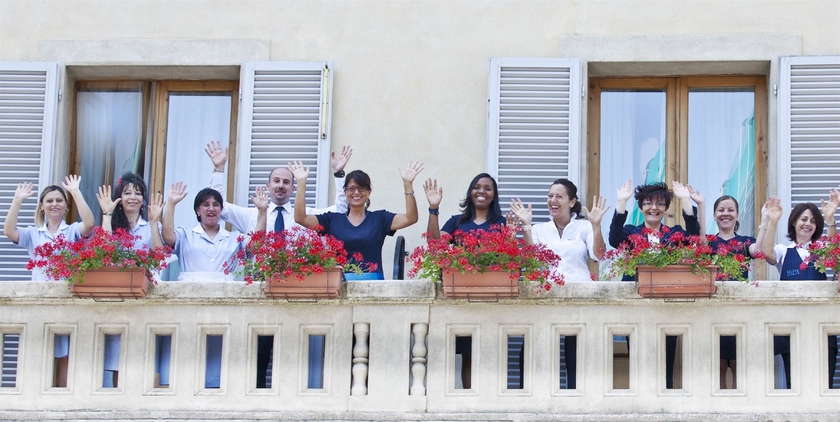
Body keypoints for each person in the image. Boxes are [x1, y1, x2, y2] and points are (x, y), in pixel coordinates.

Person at [292, 160, 423, 280]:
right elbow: (300, 218)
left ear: (369, 192)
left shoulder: (380, 218)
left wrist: (408, 185)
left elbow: (410, 218)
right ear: (345, 191)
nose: (356, 192)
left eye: (362, 188)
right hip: (339, 284)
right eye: (351, 188)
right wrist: (301, 182)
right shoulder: (331, 219)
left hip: (373, 283)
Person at [760, 194, 839, 389]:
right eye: (803, 219)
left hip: (821, 324)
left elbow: (835, 253)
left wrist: (830, 220)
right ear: (794, 222)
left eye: (813, 221)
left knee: (823, 384)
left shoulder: (821, 249)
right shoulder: (783, 251)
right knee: (795, 384)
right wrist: (772, 221)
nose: (808, 224)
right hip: (791, 324)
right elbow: (767, 253)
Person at [204, 141, 350, 234]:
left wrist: (339, 174)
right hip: (261, 280)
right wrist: (219, 170)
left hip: (297, 279)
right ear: (268, 186)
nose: (281, 185)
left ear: (293, 189)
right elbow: (220, 207)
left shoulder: (307, 216)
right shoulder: (251, 216)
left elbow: (341, 210)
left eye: (286, 182)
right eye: (276, 181)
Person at [161, 182, 268, 281]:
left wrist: (262, 211)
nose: (211, 208)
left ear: (221, 210)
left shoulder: (234, 238)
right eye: (206, 205)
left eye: (216, 204)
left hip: (224, 294)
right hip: (189, 293)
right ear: (197, 210)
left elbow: (256, 245)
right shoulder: (186, 234)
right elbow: (168, 237)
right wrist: (171, 204)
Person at [509, 179, 609, 282]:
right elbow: (531, 260)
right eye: (550, 196)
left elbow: (599, 255)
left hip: (581, 291)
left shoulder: (585, 226)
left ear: (572, 202)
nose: (553, 200)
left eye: (559, 196)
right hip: (548, 292)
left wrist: (596, 225)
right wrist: (526, 225)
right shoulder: (538, 229)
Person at [3, 176, 95, 280]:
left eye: (59, 200)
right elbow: (9, 231)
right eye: (49, 201)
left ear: (65, 205)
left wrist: (75, 192)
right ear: (42, 206)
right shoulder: (33, 233)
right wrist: (16, 201)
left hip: (68, 291)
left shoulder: (72, 230)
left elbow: (89, 223)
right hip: (40, 292)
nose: (54, 204)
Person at [608, 180, 703, 281]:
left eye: (660, 204)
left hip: (667, 288)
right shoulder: (631, 232)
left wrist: (685, 200)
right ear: (641, 208)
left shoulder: (674, 233)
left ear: (666, 209)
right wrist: (621, 203)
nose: (654, 208)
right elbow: (614, 240)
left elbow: (694, 237)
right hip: (634, 289)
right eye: (648, 203)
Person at [424, 173, 506, 240]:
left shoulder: (503, 223)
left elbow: (511, 257)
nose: (481, 191)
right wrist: (433, 208)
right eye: (476, 187)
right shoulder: (456, 221)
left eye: (487, 189)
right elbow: (434, 243)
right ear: (470, 193)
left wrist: (510, 241)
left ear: (494, 196)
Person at [96, 172, 164, 249]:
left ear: (142, 200)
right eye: (128, 193)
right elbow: (104, 252)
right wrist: (107, 214)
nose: (133, 197)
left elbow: (160, 256)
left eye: (138, 193)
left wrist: (153, 223)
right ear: (120, 199)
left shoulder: (151, 226)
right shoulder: (111, 226)